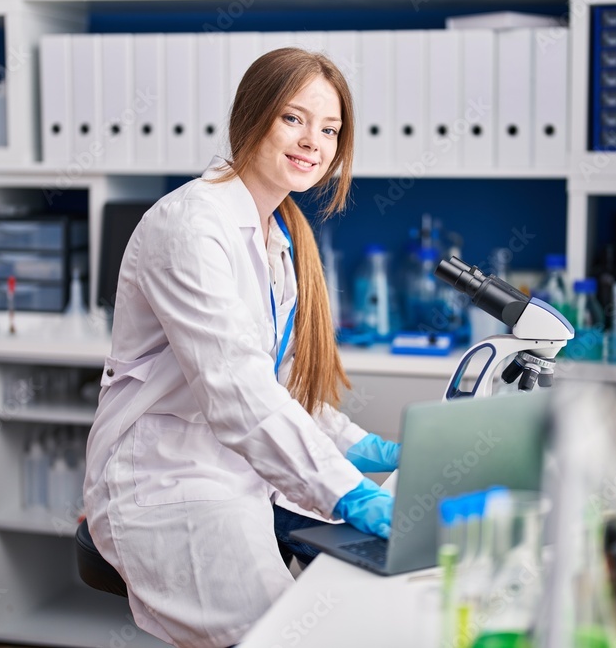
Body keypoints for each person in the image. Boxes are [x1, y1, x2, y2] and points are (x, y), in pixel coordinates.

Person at [83, 47, 401, 648]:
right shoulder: (190, 227)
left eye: (330, 129)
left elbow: (274, 388)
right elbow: (238, 391)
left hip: (237, 473)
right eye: (294, 118)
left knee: (349, 606)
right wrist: (346, 491)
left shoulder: (274, 234)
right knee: (285, 637)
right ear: (251, 117)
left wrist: (368, 450)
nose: (314, 141)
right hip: (168, 483)